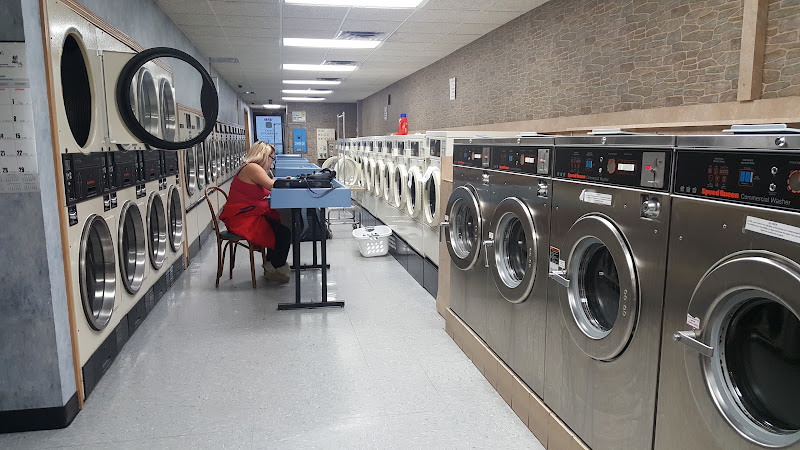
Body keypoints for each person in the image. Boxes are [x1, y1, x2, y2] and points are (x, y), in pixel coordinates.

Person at [219, 141, 292, 283]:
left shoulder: (250, 167)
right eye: (272, 157)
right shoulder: (252, 168)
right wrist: (286, 182)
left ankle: (272, 265)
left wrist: (282, 181)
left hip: (247, 214)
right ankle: (275, 267)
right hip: (242, 219)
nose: (272, 161)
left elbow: (270, 183)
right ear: (264, 156)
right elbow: (272, 186)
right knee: (283, 233)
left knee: (278, 228)